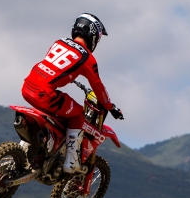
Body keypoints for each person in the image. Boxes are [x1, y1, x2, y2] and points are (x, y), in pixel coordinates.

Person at [22, 13, 123, 174]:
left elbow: (56, 67)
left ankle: (38, 146)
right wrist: (110, 106)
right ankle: (71, 161)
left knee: (60, 110)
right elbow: (98, 86)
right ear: (93, 34)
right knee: (77, 115)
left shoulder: (59, 42)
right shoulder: (87, 57)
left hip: (28, 86)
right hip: (45, 94)